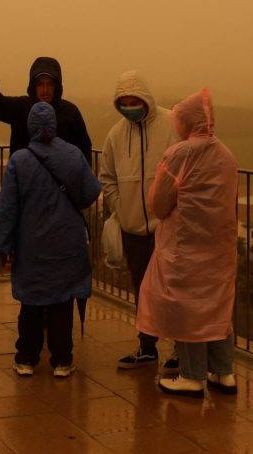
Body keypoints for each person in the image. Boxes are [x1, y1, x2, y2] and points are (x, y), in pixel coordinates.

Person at [135, 88, 240, 397]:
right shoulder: (226, 155)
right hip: (219, 247)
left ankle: (192, 376)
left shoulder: (178, 154)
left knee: (188, 309)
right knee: (216, 306)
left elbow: (159, 203)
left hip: (184, 248)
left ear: (187, 122)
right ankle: (224, 372)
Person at [0, 102, 102, 377]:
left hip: (31, 244)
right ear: (53, 125)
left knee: (31, 301)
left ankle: (26, 358)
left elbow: (7, 208)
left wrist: (4, 246)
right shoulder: (74, 155)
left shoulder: (19, 160)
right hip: (67, 242)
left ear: (30, 126)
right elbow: (90, 193)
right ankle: (62, 360)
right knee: (62, 301)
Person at [99, 70, 180, 371]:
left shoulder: (172, 124)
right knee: (142, 290)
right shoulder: (116, 135)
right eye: (124, 102)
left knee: (172, 291)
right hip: (132, 228)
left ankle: (179, 350)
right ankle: (147, 347)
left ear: (146, 98)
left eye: (134, 101)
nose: (129, 106)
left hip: (167, 228)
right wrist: (121, 209)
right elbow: (107, 176)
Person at [0, 58, 92, 163]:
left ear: (57, 86)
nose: (45, 90)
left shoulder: (71, 113)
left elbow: (84, 150)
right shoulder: (21, 108)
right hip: (25, 182)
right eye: (40, 84)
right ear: (33, 86)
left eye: (50, 84)